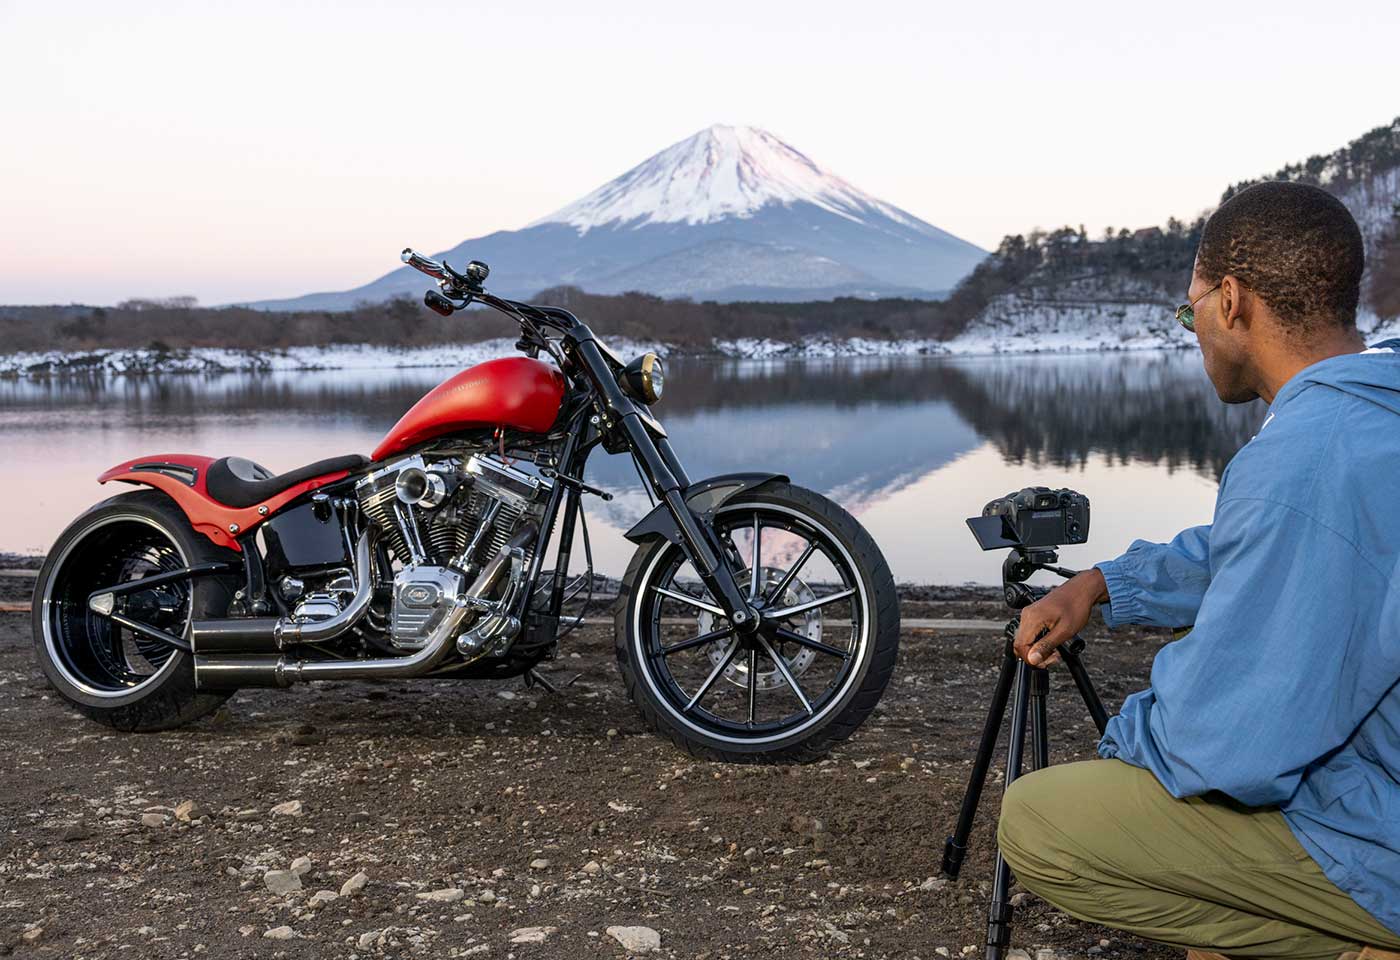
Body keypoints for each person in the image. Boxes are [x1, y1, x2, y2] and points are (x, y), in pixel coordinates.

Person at [995, 180, 1400, 960]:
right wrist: (1104, 584)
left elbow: (1223, 744)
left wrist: (1128, 744)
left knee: (1041, 822)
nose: (1195, 333)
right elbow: (1264, 547)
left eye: (1191, 311)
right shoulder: (1374, 404)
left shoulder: (1304, 457)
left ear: (1233, 301)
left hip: (1380, 828)